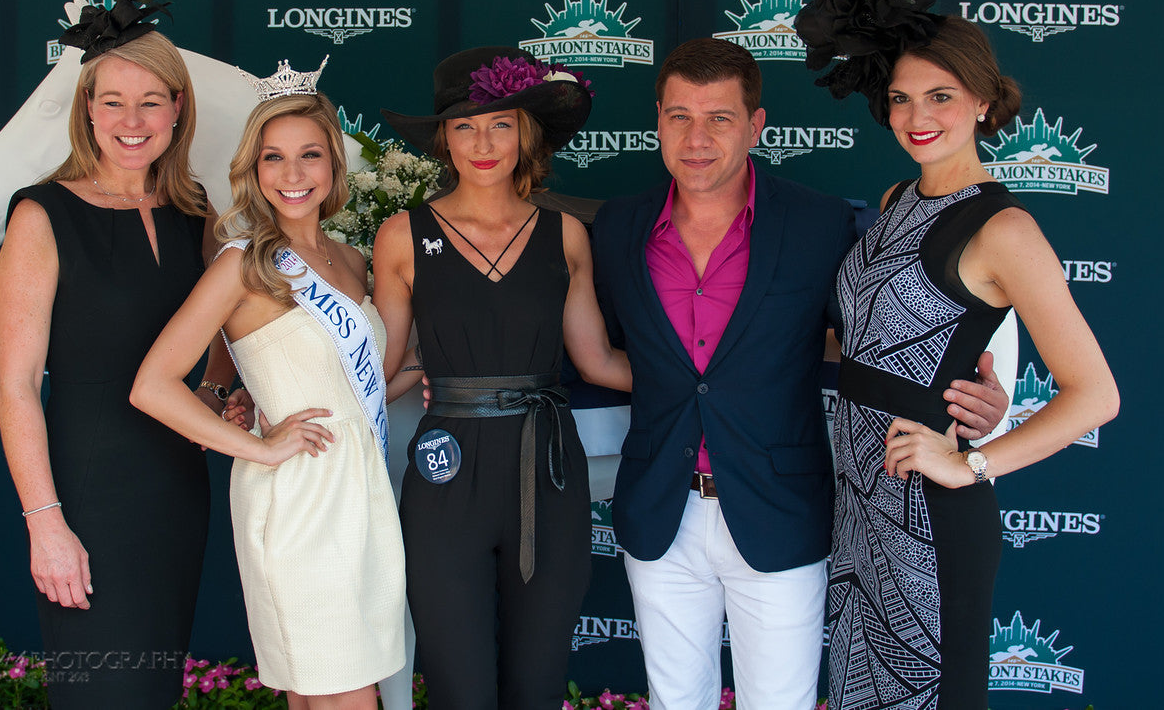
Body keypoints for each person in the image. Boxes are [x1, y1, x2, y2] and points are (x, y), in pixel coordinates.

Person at [589, 37, 1011, 710]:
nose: (697, 139)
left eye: (720, 118)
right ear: (658, 119)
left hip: (780, 507)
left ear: (756, 126)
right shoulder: (617, 227)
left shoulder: (820, 224)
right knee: (675, 701)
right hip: (657, 507)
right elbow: (596, 350)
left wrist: (968, 402)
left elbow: (877, 341)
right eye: (679, 117)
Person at [795, 0, 1119, 710]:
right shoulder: (894, 198)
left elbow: (1095, 395)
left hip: (928, 519)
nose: (918, 115)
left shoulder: (1006, 229)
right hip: (860, 501)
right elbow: (877, 347)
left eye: (940, 95)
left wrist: (971, 464)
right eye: (903, 97)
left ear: (981, 100)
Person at [0, 0, 248, 707]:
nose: (132, 120)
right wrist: (46, 524)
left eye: (150, 101)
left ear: (177, 109)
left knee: (152, 688)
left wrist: (215, 391)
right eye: (113, 101)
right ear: (87, 110)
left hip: (175, 489)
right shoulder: (43, 216)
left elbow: (226, 315)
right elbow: (14, 384)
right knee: (100, 692)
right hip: (86, 496)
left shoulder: (195, 209)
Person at [130, 63, 406, 710]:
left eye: (310, 155)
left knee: (321, 692)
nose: (292, 174)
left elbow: (348, 388)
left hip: (360, 492)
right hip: (301, 499)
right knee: (345, 691)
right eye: (272, 158)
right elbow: (152, 384)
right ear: (253, 170)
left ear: (334, 165)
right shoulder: (243, 263)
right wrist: (256, 447)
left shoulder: (351, 259)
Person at [373, 46, 632, 709]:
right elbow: (382, 369)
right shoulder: (402, 235)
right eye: (464, 126)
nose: (482, 142)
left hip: (547, 470)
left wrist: (712, 377)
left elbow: (596, 361)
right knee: (460, 687)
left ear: (527, 132)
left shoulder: (565, 233)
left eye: (500, 123)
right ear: (443, 139)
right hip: (445, 472)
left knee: (538, 683)